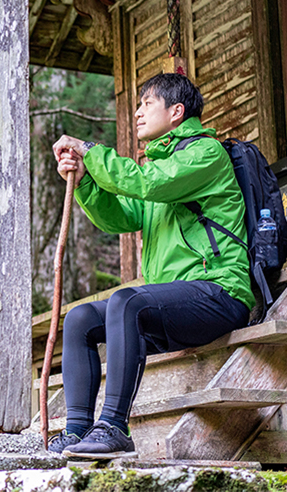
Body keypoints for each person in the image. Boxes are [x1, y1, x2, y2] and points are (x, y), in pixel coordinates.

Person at [46, 73, 253, 459]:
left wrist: (89, 151)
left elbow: (148, 184)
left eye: (146, 104)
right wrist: (87, 181)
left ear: (176, 112)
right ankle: (76, 432)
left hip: (219, 293)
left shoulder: (204, 154)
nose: (138, 114)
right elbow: (119, 218)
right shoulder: (159, 169)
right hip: (172, 304)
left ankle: (113, 427)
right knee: (80, 319)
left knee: (127, 300)